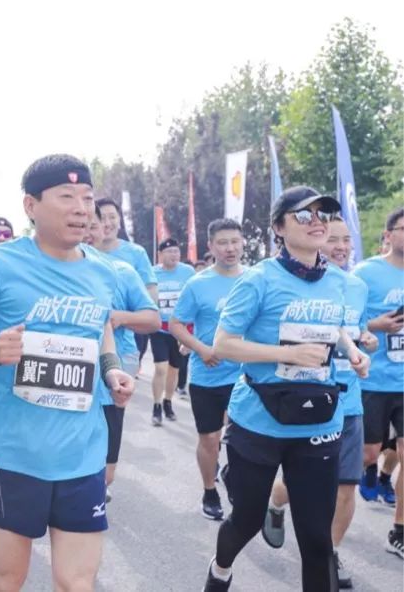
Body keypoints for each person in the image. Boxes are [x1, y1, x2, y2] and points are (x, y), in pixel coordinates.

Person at [0, 154, 135, 592]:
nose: (81, 209)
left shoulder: (103, 271)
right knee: (8, 580)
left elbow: (101, 329)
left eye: (87, 198)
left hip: (83, 452)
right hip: (15, 454)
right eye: (66, 197)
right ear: (31, 205)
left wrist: (111, 372)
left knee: (76, 582)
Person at [202, 186, 370, 592]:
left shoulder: (337, 281)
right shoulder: (259, 279)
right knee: (246, 520)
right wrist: (288, 354)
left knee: (316, 538)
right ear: (279, 227)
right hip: (258, 420)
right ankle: (220, 569)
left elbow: (332, 326)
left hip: (319, 420)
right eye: (304, 215)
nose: (318, 222)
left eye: (324, 215)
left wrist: (351, 349)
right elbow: (223, 344)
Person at [259, 215, 379, 587]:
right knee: (306, 484)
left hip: (349, 401)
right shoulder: (296, 284)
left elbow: (357, 331)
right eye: (333, 240)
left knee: (346, 485)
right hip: (307, 400)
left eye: (346, 240)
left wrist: (367, 340)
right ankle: (276, 500)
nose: (341, 247)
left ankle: (331, 553)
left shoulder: (356, 286)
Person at [169, 218, 246, 521]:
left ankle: (232, 474)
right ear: (211, 246)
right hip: (208, 376)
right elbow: (176, 324)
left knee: (243, 438)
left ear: (243, 243)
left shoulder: (254, 279)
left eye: (235, 241)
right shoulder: (198, 284)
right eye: (223, 243)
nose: (230, 248)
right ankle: (209, 490)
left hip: (246, 376)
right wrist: (200, 349)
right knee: (210, 439)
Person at [84, 207, 159, 493]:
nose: (86, 232)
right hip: (65, 376)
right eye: (79, 224)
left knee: (106, 471)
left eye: (93, 226)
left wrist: (118, 317)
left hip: (113, 370)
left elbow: (152, 319)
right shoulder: (45, 273)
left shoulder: (122, 271)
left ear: (103, 229)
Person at [352, 206, 404, 559]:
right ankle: (299, 493)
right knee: (368, 453)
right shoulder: (365, 273)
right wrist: (375, 326)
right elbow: (346, 320)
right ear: (388, 234)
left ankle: (398, 531)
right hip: (374, 381)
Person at [95, 197, 158, 370]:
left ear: (119, 220)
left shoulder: (135, 254)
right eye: (102, 218)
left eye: (112, 217)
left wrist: (124, 317)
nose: (107, 223)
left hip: (126, 339)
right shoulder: (81, 252)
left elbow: (151, 299)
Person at [149, 238, 196, 425]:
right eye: (169, 252)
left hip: (180, 329)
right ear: (160, 255)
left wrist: (190, 331)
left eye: (176, 251)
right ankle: (156, 406)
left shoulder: (188, 272)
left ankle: (168, 402)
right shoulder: (152, 273)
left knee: (174, 369)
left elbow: (194, 299)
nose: (174, 255)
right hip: (159, 328)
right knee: (161, 368)